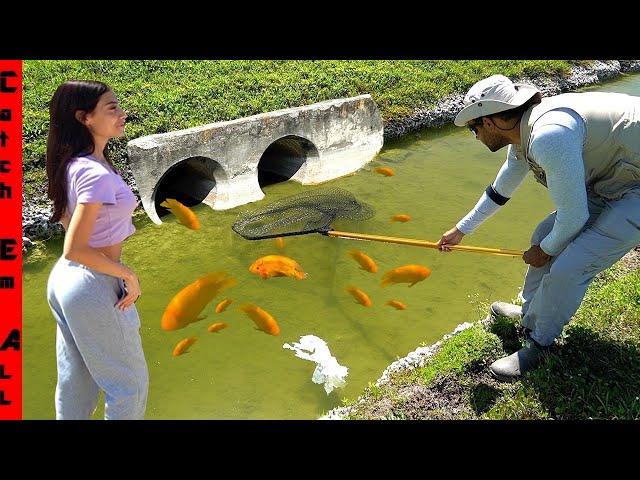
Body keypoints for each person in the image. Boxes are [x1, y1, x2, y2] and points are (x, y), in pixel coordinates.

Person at [438, 74, 640, 382]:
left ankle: (539, 343)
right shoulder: (524, 133)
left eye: (473, 128)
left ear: (491, 122)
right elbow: (500, 190)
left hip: (634, 186)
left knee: (572, 265)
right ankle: (530, 315)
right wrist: (460, 230)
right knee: (544, 235)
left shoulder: (549, 136)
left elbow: (573, 217)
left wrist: (544, 252)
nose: (475, 136)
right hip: (617, 176)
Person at [45, 80, 149, 418]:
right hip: (92, 281)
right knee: (129, 385)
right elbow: (76, 247)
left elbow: (65, 222)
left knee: (78, 382)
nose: (122, 114)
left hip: (65, 280)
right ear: (84, 118)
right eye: (112, 108)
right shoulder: (94, 174)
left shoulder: (74, 164)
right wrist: (127, 274)